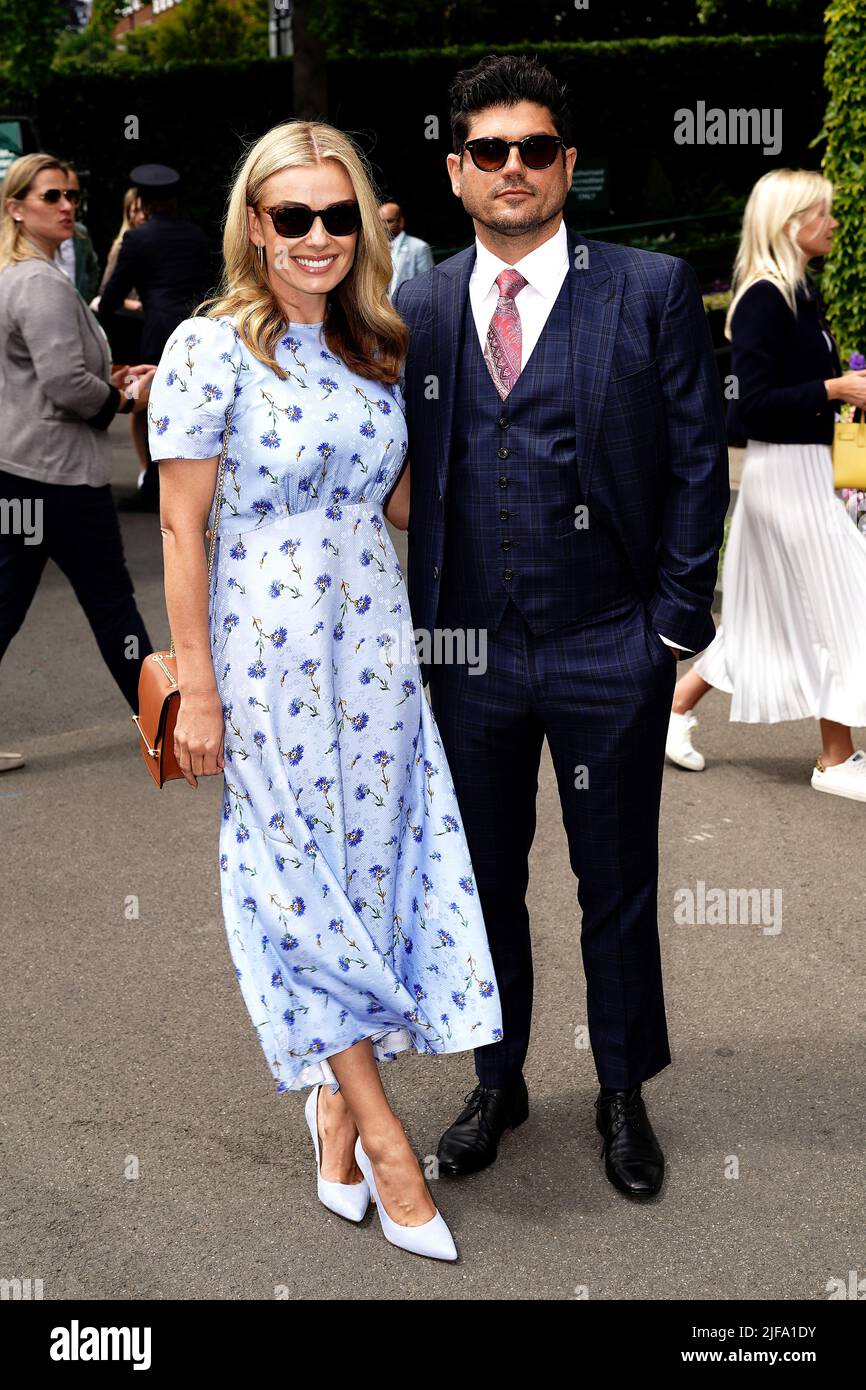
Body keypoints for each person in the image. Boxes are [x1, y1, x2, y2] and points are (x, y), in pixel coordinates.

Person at [146, 120, 503, 1261]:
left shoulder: (371, 346)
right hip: (263, 650)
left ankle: (333, 1117)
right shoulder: (211, 349)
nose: (313, 236)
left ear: (363, 227)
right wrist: (195, 685)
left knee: (377, 865)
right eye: (289, 215)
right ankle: (389, 1145)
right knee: (298, 880)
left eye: (335, 215)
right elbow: (179, 524)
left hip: (375, 649)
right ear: (253, 224)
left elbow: (399, 506)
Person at [394, 55, 729, 1199]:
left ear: (567, 166)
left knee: (615, 883)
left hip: (607, 643)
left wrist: (673, 629)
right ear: (453, 171)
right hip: (465, 654)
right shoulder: (420, 304)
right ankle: (499, 1079)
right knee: (480, 880)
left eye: (535, 149)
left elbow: (696, 464)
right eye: (488, 151)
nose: (513, 170)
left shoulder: (646, 288)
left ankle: (623, 1089)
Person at [666, 170, 866, 801]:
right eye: (824, 214)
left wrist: (836, 400)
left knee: (779, 620)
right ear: (791, 223)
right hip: (782, 479)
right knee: (842, 609)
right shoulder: (763, 298)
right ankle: (836, 762)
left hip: (806, 473)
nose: (833, 224)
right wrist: (833, 390)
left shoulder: (799, 293)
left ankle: (673, 710)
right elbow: (747, 409)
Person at [0, 153, 155, 775]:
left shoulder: (16, 275)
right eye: (50, 196)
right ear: (16, 208)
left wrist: (110, 374)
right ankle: (165, 728)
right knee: (113, 604)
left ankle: (162, 724)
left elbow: (38, 373)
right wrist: (123, 396)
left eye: (70, 194)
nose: (67, 205)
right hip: (59, 475)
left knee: (8, 602)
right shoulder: (36, 281)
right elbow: (65, 383)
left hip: (25, 469)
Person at [99, 164, 211, 513]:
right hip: (197, 333)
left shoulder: (138, 239)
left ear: (143, 201)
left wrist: (105, 329)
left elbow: (112, 297)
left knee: (152, 412)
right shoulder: (197, 236)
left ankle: (153, 488)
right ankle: (196, 487)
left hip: (157, 334)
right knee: (196, 410)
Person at [91, 188, 149, 488]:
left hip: (149, 328)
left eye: (144, 208)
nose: (141, 215)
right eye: (135, 209)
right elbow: (105, 294)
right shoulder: (121, 245)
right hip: (130, 330)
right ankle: (143, 468)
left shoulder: (153, 240)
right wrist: (136, 304)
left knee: (152, 399)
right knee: (137, 401)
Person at [53, 163, 101, 302]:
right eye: (53, 196)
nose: (68, 206)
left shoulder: (80, 233)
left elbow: (93, 269)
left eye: (72, 196)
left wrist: (84, 300)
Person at [379, 198, 433, 297]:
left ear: (401, 221)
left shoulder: (419, 247)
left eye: (389, 221)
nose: (384, 226)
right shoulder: (376, 249)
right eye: (381, 222)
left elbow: (428, 285)